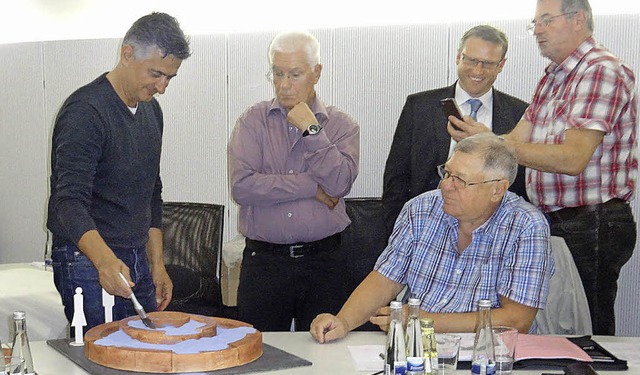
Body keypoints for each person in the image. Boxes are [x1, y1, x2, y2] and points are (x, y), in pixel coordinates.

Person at [449, 0, 637, 335]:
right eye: (535, 22)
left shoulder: (599, 69)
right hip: (554, 220)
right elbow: (514, 141)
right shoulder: (553, 76)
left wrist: (494, 140)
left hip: (591, 222)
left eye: (546, 20)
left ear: (578, 20)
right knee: (553, 328)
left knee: (585, 330)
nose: (536, 30)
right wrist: (482, 141)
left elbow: (573, 158)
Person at [310, 133, 554, 343]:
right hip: (416, 346)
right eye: (447, 174)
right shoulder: (421, 208)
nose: (446, 186)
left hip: (488, 353)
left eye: (460, 180)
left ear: (497, 189)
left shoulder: (526, 226)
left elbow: (516, 320)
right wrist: (343, 321)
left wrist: (422, 320)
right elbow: (385, 279)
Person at [47, 12, 191, 331]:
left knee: (144, 351)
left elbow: (151, 192)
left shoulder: (152, 111)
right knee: (105, 357)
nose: (162, 86)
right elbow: (68, 202)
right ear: (127, 54)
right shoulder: (85, 112)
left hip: (136, 254)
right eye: (156, 74)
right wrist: (105, 261)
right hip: (87, 259)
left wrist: (157, 264)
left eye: (170, 77)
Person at [228, 31, 359, 332]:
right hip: (264, 262)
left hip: (325, 261)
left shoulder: (341, 126)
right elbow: (243, 187)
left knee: (324, 354)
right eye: (277, 73)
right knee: (259, 352)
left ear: (317, 73)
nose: (284, 85)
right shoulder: (252, 121)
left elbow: (338, 183)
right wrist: (311, 188)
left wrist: (311, 129)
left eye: (295, 74)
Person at [382, 25, 529, 235]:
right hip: (426, 227)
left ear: (501, 65)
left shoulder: (519, 114)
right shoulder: (420, 106)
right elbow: (396, 178)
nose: (477, 70)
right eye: (471, 60)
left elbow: (521, 183)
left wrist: (492, 140)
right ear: (459, 56)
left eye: (487, 64)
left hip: (494, 233)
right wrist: (396, 232)